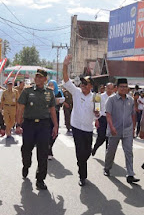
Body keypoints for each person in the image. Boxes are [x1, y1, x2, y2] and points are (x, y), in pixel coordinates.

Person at [15, 69, 58, 190]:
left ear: (45, 79)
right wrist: (18, 124)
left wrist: (55, 125)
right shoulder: (27, 91)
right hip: (29, 125)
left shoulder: (50, 93)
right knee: (26, 150)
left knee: (43, 153)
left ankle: (40, 180)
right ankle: (26, 165)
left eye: (40, 77)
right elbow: (20, 108)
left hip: (44, 126)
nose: (37, 79)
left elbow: (52, 110)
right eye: (36, 76)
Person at [62, 54, 99, 187]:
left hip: (88, 129)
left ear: (90, 86)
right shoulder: (76, 92)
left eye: (85, 83)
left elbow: (97, 114)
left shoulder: (96, 97)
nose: (83, 85)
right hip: (77, 127)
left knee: (87, 152)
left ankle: (82, 163)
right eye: (82, 83)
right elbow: (66, 80)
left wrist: (97, 114)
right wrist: (65, 65)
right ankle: (82, 176)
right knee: (80, 153)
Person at [104, 78, 140, 184]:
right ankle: (107, 167)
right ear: (117, 88)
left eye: (125, 87)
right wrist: (112, 127)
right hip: (114, 130)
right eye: (121, 87)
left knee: (129, 151)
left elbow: (133, 114)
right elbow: (108, 114)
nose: (124, 89)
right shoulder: (111, 99)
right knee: (111, 151)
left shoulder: (130, 100)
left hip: (127, 130)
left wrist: (133, 128)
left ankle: (130, 174)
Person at [92, 83, 115, 156]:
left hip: (111, 119)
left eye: (111, 89)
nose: (110, 90)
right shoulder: (99, 96)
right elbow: (96, 109)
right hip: (102, 118)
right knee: (101, 137)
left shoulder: (115, 97)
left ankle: (108, 156)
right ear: (105, 88)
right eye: (108, 88)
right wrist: (96, 119)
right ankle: (95, 148)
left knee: (110, 139)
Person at [47, 80, 64, 160]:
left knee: (55, 133)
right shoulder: (46, 93)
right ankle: (49, 150)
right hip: (47, 115)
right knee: (48, 131)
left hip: (56, 114)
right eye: (49, 84)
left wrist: (57, 101)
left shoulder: (59, 93)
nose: (51, 86)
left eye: (52, 85)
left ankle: (49, 146)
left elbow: (61, 102)